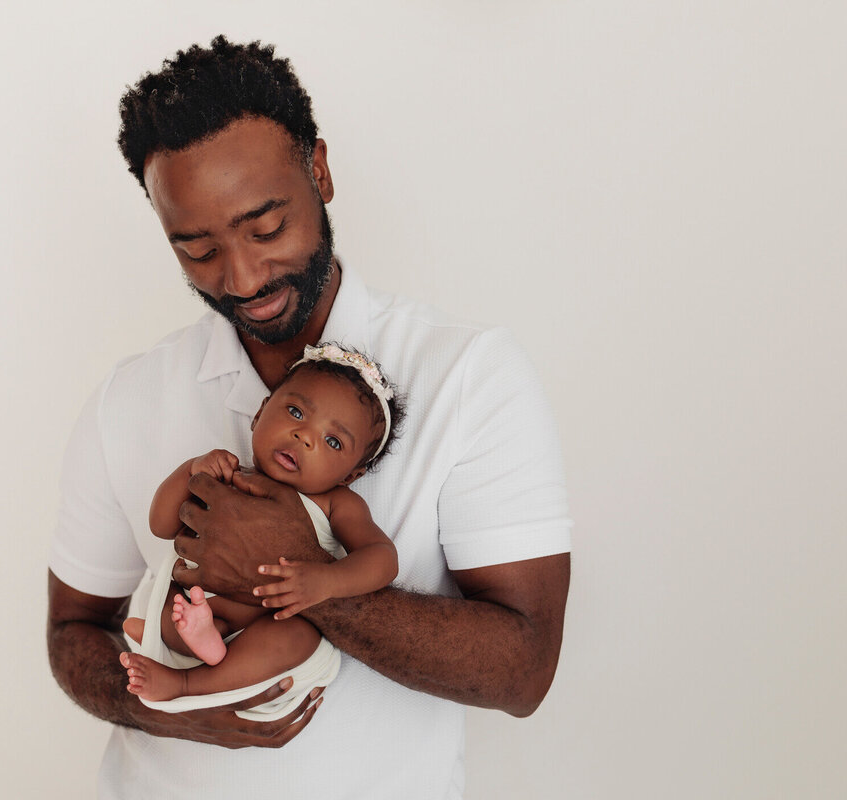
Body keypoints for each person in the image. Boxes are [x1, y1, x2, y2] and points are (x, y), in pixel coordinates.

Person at [47, 36, 571, 798]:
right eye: (197, 250)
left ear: (319, 171)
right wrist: (180, 712)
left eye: (265, 228)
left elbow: (524, 671)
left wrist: (305, 574)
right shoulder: (127, 398)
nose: (243, 276)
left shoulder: (469, 376)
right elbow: (72, 635)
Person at [119, 344, 403, 706]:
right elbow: (160, 524)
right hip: (197, 604)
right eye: (296, 411)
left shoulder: (337, 503)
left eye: (332, 441)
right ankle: (177, 636)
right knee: (172, 599)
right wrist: (191, 472)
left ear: (352, 474)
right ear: (260, 413)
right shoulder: (226, 474)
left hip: (261, 629)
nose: (305, 436)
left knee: (299, 638)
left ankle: (186, 682)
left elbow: (382, 558)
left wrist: (329, 579)